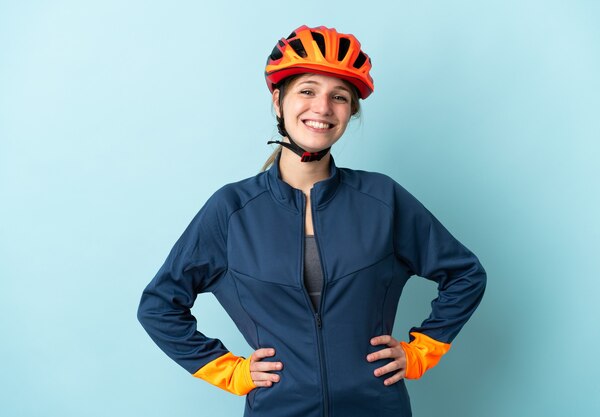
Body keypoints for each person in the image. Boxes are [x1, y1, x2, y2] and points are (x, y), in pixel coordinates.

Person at [137, 25, 486, 417]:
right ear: (277, 100)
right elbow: (159, 306)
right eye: (307, 90)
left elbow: (465, 274)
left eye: (339, 96)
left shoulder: (381, 199)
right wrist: (230, 372)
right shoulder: (232, 210)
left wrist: (421, 351)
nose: (322, 108)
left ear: (350, 111)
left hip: (377, 407)